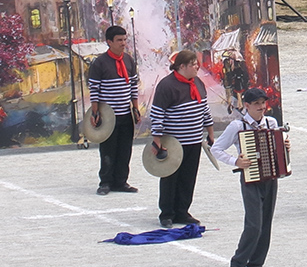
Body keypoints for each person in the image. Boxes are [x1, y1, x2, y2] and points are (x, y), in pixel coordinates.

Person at [209, 88, 290, 267]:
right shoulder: (238, 126)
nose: (261, 107)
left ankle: (256, 265)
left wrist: (285, 146)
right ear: (247, 106)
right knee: (254, 223)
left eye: (263, 104)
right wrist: (235, 161)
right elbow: (216, 149)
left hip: (270, 178)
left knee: (266, 223)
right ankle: (237, 263)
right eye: (257, 104)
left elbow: (279, 146)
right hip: (251, 179)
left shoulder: (272, 122)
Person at [150, 50, 215, 228]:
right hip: (174, 142)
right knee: (170, 177)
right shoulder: (167, 86)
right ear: (181, 66)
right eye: (193, 64)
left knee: (188, 177)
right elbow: (157, 115)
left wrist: (210, 132)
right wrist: (157, 140)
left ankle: (182, 211)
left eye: (196, 63)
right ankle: (167, 213)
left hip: (194, 140)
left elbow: (204, 110)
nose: (197, 67)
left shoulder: (198, 83)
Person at [88, 25, 140, 196]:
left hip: (125, 113)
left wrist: (135, 108)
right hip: (108, 115)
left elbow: (133, 85)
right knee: (108, 150)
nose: (123, 43)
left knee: (125, 149)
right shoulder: (100, 63)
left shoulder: (129, 60)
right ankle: (105, 181)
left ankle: (121, 181)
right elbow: (94, 90)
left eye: (124, 39)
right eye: (119, 40)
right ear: (109, 42)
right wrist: (95, 113)